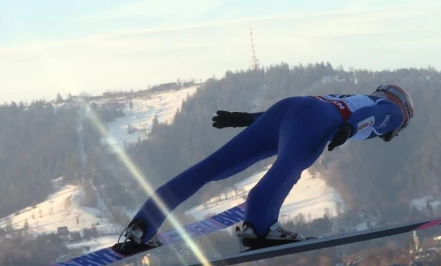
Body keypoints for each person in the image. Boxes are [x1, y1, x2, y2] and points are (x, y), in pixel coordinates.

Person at [117, 86, 415, 253]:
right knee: (289, 167)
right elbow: (373, 115)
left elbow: (300, 111)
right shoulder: (392, 111)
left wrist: (248, 119)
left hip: (288, 108)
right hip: (313, 120)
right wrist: (350, 129)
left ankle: (143, 224)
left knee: (211, 167)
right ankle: (260, 227)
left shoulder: (349, 96)